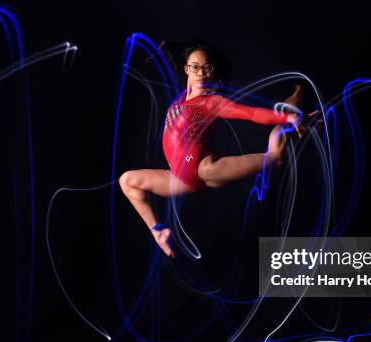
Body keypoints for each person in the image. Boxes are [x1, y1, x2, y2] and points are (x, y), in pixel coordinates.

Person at [119, 44, 306, 257]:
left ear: (212, 70)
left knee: (275, 157)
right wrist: (162, 55)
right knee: (127, 181)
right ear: (186, 69)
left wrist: (284, 117)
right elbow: (174, 65)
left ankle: (289, 113)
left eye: (206, 68)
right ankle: (158, 233)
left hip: (204, 170)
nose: (201, 73)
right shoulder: (183, 96)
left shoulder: (210, 102)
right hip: (179, 179)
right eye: (195, 67)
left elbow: (251, 113)